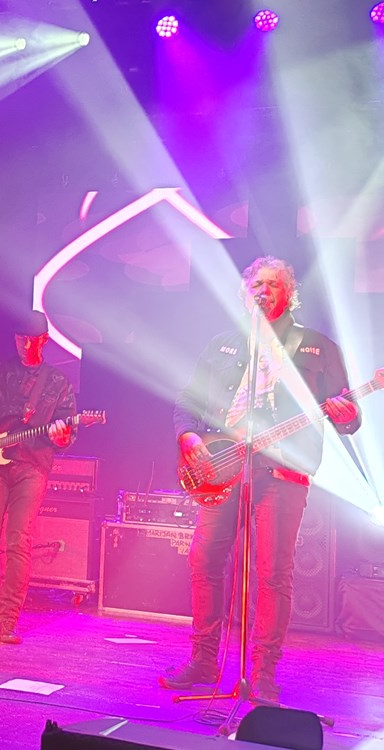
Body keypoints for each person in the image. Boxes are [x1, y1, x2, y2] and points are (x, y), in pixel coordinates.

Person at [160, 256, 361, 704]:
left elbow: (348, 415)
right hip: (222, 467)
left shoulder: (317, 347)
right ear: (243, 293)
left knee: (272, 574)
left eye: (273, 284)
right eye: (256, 284)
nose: (263, 291)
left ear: (289, 294)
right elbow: (188, 400)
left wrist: (348, 415)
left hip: (283, 471)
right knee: (204, 561)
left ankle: (262, 673)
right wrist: (188, 436)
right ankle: (203, 660)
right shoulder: (224, 345)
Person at [0, 309, 77, 644]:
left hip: (32, 466)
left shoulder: (58, 383)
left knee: (17, 541)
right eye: (21, 339)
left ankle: (9, 620)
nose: (26, 345)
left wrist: (62, 436)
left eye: (32, 340)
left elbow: (66, 435)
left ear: (44, 340)